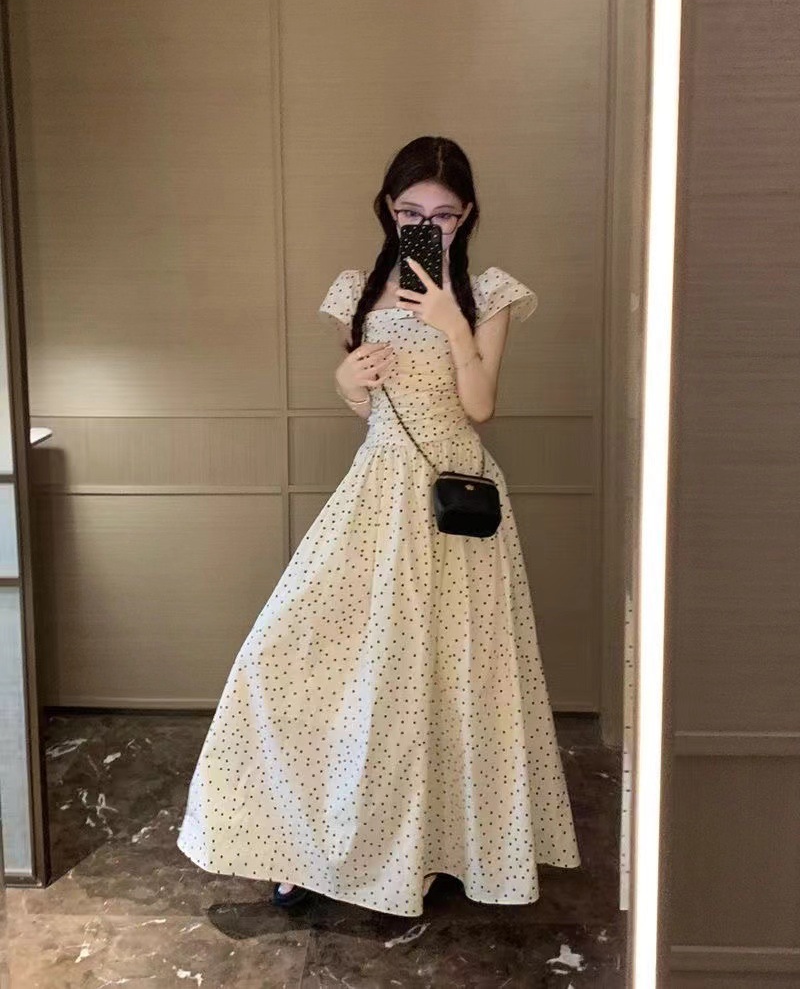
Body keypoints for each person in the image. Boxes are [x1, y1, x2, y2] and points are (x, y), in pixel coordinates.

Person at [177, 136, 581, 919]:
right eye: (409, 212)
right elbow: (369, 408)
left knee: (452, 679)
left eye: (443, 215)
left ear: (467, 216)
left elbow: (480, 406)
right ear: (388, 211)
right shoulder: (356, 292)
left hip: (456, 506)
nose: (425, 226)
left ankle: (440, 847)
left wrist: (452, 323)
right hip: (376, 495)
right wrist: (345, 378)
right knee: (301, 661)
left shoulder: (488, 293)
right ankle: (304, 844)